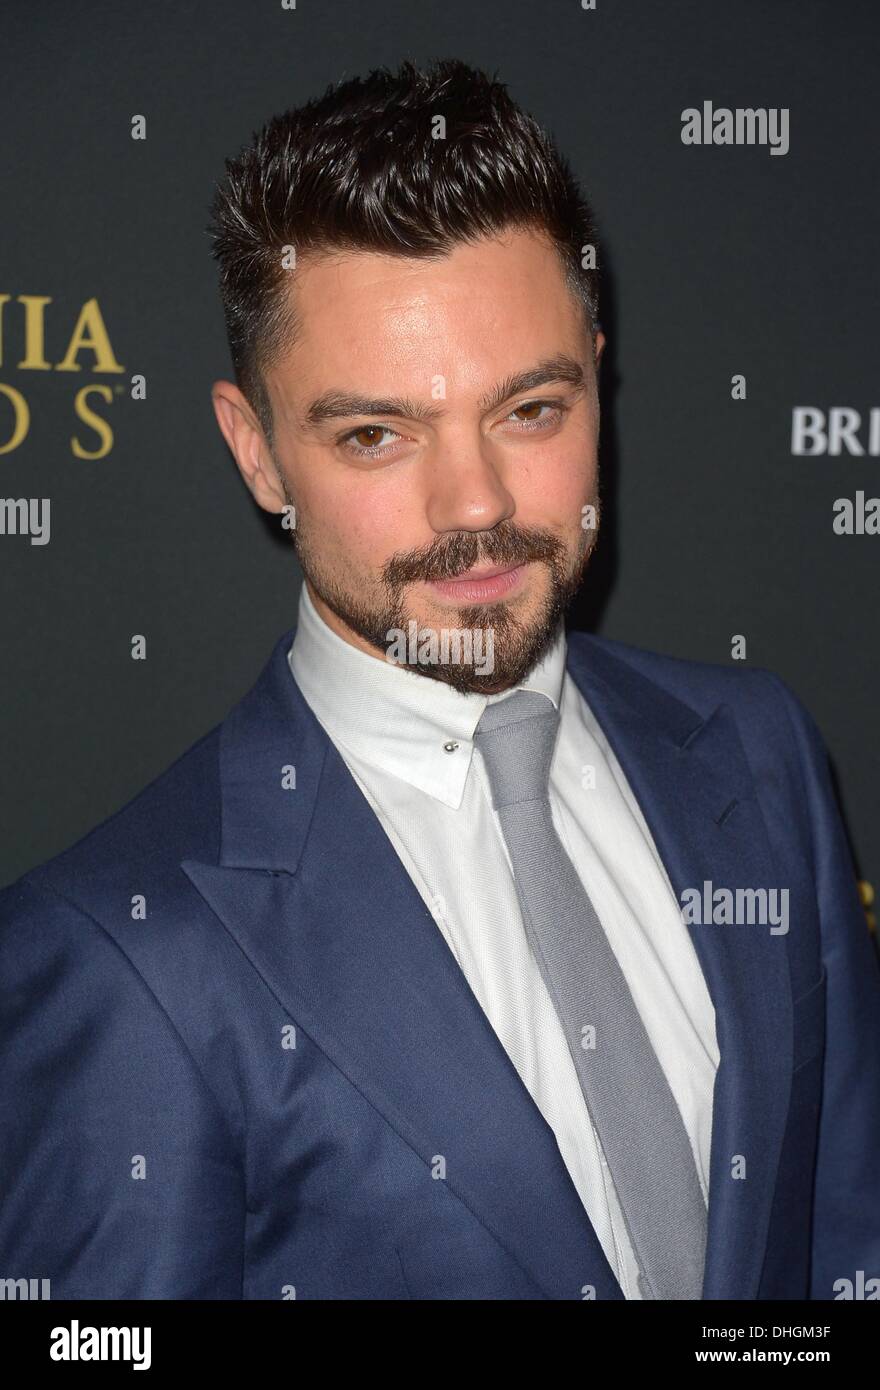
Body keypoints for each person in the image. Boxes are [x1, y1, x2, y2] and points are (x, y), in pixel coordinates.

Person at [1, 58, 878, 1301]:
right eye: (375, 433)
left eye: (528, 409)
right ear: (258, 454)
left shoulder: (755, 747)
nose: (474, 505)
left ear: (596, 372)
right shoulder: (120, 959)